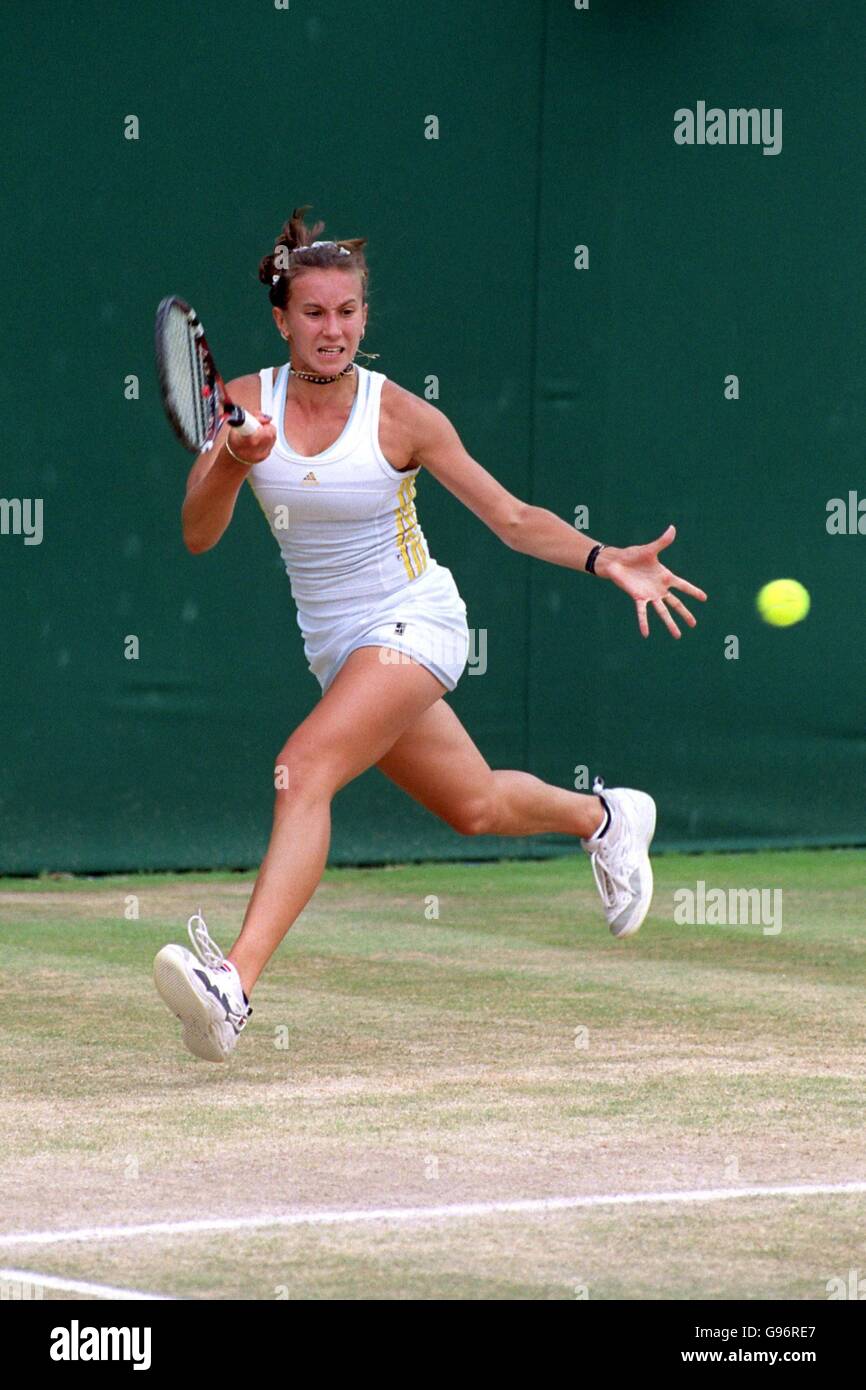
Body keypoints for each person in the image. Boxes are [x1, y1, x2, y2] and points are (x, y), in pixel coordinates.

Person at [153, 206, 707, 1063]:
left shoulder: (403, 416)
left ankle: (233, 987)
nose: (331, 330)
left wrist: (606, 560)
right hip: (339, 650)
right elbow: (197, 533)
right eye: (313, 313)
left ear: (364, 318)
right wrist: (234, 459)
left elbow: (513, 519)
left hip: (417, 620)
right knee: (474, 806)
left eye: (347, 313)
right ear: (282, 319)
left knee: (304, 770)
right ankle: (606, 817)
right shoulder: (241, 406)